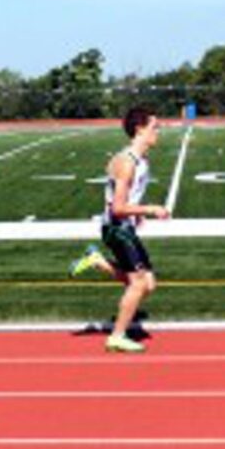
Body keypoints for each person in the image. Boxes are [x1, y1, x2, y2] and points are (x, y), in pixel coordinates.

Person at [69, 107, 170, 353]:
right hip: (116, 228)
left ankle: (97, 261)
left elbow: (125, 201)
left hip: (124, 226)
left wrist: (136, 216)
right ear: (140, 129)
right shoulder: (127, 162)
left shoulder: (140, 159)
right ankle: (117, 336)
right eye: (154, 126)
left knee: (149, 284)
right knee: (138, 284)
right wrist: (149, 210)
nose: (159, 131)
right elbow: (117, 208)